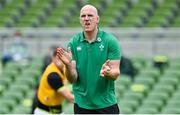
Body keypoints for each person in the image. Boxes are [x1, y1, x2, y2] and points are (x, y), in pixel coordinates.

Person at [56, 4, 121, 114]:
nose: (86, 19)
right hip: (82, 105)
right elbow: (72, 79)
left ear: (97, 19)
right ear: (80, 20)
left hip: (106, 104)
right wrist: (68, 65)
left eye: (90, 15)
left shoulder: (110, 41)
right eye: (83, 16)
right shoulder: (73, 43)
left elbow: (116, 72)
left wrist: (108, 73)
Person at [33, 48, 74, 114]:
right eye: (57, 57)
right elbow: (69, 97)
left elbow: (71, 84)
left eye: (62, 57)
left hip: (57, 110)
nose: (60, 60)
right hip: (44, 112)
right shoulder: (53, 75)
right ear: (53, 58)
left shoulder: (64, 70)